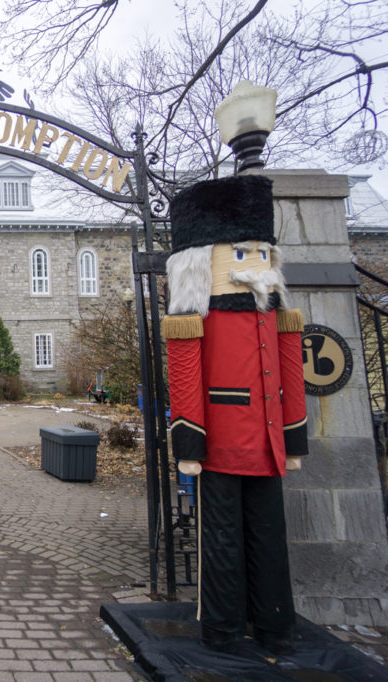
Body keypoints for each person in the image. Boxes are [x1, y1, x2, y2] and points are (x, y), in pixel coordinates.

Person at [162, 175, 307, 655]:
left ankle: (274, 624)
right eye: (241, 255)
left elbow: (289, 373)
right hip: (221, 444)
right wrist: (189, 445)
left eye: (261, 254)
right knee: (221, 538)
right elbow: (185, 379)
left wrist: (294, 440)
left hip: (268, 445)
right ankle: (222, 629)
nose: (255, 265)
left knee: (270, 538)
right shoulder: (194, 317)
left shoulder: (277, 314)